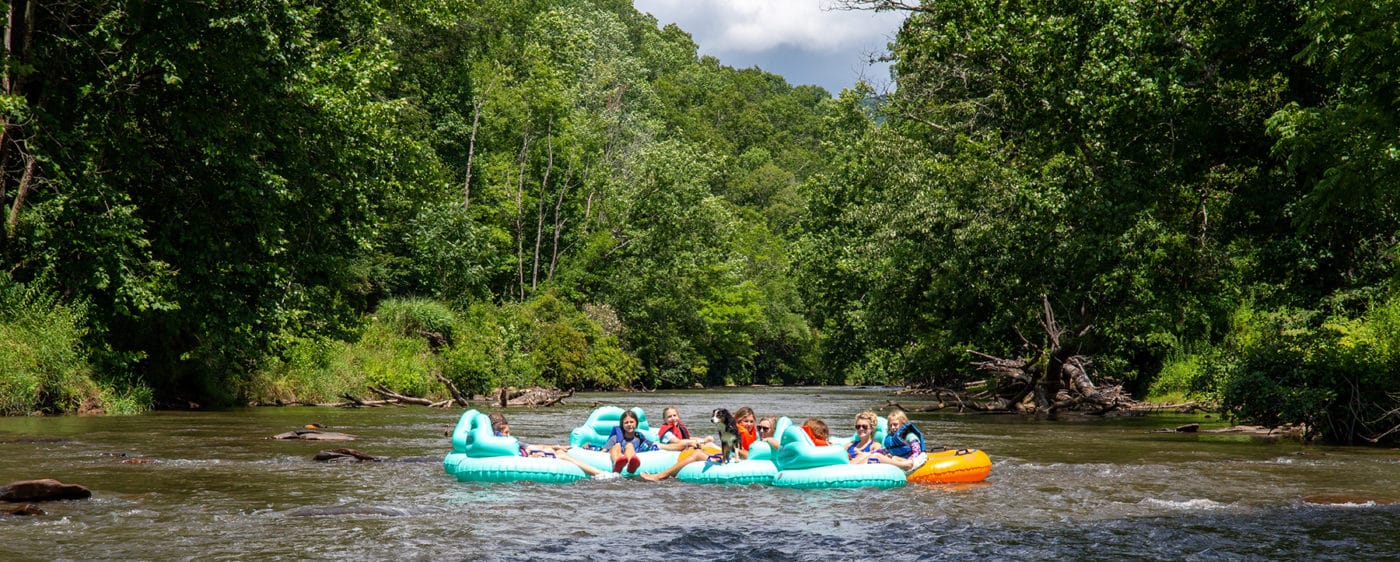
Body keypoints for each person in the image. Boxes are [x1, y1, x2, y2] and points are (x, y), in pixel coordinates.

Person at [489, 412, 614, 478]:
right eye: (506, 432)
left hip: (527, 456)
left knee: (555, 450)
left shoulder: (511, 441)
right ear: (498, 433)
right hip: (525, 460)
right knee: (560, 456)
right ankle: (598, 474)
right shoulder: (498, 444)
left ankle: (598, 473)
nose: (509, 434)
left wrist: (555, 446)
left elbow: (532, 446)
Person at [639, 406, 747, 482]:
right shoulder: (666, 432)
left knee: (709, 446)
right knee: (698, 452)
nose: (673, 418)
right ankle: (661, 476)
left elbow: (687, 438)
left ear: (678, 416)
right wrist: (700, 441)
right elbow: (678, 442)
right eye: (669, 417)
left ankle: (725, 456)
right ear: (664, 419)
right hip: (680, 452)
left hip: (691, 449)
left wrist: (702, 440)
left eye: (674, 415)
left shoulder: (679, 428)